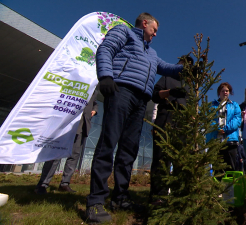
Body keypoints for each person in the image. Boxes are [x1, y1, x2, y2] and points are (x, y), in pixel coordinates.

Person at [86, 12, 184, 223]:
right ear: (145, 23)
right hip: (121, 91)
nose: (155, 34)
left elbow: (166, 68)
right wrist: (105, 76)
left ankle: (120, 198)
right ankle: (95, 201)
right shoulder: (125, 32)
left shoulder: (152, 52)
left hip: (141, 101)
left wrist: (186, 69)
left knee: (129, 150)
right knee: (108, 142)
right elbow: (105, 49)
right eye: (154, 30)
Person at [35, 89, 98, 194]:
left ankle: (65, 184)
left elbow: (94, 102)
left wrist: (95, 109)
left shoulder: (94, 88)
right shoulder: (77, 83)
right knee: (55, 155)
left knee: (74, 156)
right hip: (65, 126)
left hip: (82, 126)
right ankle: (43, 184)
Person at [149, 55, 193, 204]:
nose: (185, 67)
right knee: (161, 159)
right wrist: (170, 92)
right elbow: (155, 96)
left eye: (188, 65)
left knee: (181, 159)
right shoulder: (167, 77)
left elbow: (193, 107)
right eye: (183, 63)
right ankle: (158, 196)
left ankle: (179, 195)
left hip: (183, 122)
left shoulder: (190, 85)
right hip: (165, 117)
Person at [206, 82, 241, 176]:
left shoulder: (234, 105)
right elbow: (208, 119)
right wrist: (217, 128)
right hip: (215, 141)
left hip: (230, 141)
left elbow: (237, 119)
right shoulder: (212, 106)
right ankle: (218, 190)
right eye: (223, 91)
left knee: (231, 167)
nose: (225, 92)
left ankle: (230, 190)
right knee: (217, 170)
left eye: (227, 90)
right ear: (219, 93)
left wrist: (225, 129)